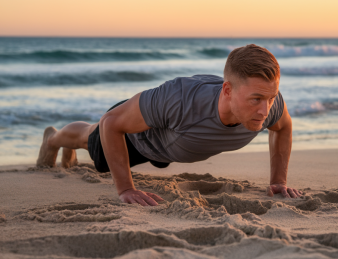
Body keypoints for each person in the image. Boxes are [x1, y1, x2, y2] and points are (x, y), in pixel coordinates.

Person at [36, 44, 302, 206]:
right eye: (256, 99)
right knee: (90, 137)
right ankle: (53, 140)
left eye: (269, 98)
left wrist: (278, 180)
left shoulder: (270, 104)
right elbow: (111, 122)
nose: (264, 110)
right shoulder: (180, 98)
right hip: (138, 138)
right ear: (228, 90)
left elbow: (284, 127)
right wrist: (126, 189)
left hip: (172, 144)